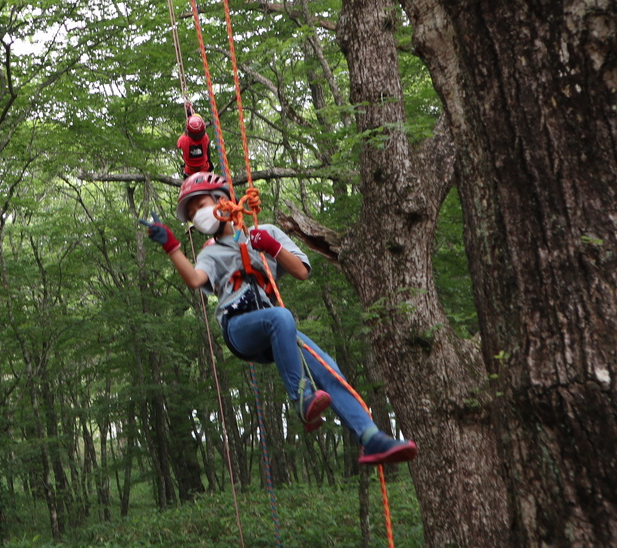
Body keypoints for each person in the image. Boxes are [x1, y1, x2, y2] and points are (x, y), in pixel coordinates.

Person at [140, 172, 417, 465]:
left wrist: (271, 247)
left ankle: (372, 438)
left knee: (326, 367)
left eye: (200, 205)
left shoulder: (266, 232)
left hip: (274, 329)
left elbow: (301, 271)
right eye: (192, 212)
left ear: (223, 201)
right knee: (281, 318)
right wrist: (170, 246)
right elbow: (196, 280)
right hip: (240, 328)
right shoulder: (211, 253)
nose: (197, 215)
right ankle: (301, 398)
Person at [177, 107, 213, 178]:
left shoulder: (183, 140)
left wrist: (189, 115)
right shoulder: (205, 138)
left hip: (189, 173)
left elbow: (180, 142)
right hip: (205, 170)